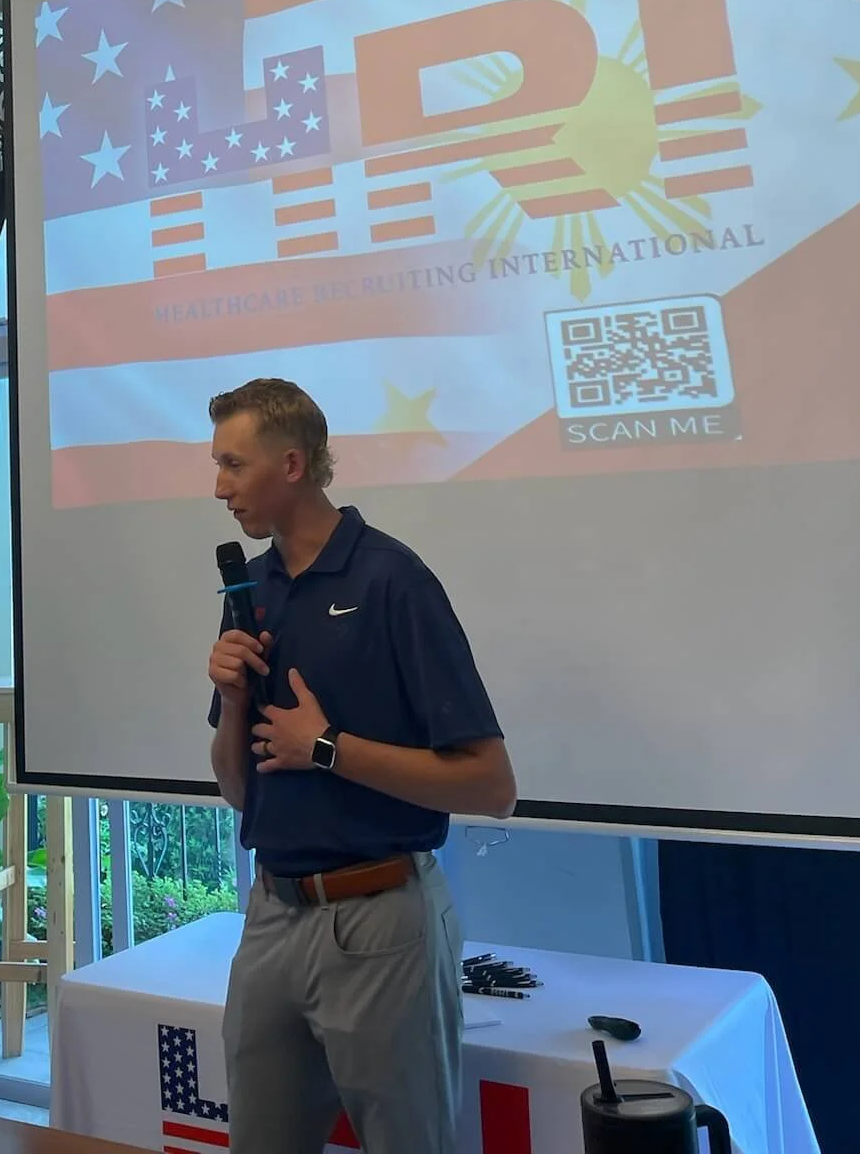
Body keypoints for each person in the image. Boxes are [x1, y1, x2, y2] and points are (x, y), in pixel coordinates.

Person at [208, 377, 516, 1154]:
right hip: (272, 916)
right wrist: (233, 698)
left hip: (381, 921)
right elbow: (239, 788)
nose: (219, 488)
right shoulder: (253, 591)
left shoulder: (392, 580)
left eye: (233, 465)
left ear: (291, 464)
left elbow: (491, 785)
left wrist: (327, 748)